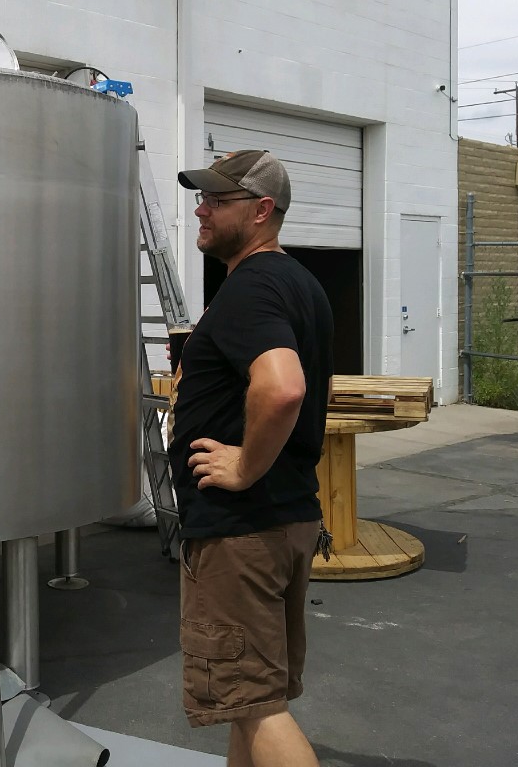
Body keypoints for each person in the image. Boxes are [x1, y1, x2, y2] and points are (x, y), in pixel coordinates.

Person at [169, 150, 334, 767]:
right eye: (201, 198)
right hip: (285, 521)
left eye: (217, 200)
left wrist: (243, 467)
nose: (201, 210)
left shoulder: (250, 287)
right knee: (249, 702)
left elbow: (283, 387)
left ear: (262, 210)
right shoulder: (300, 284)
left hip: (242, 533)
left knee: (257, 708)